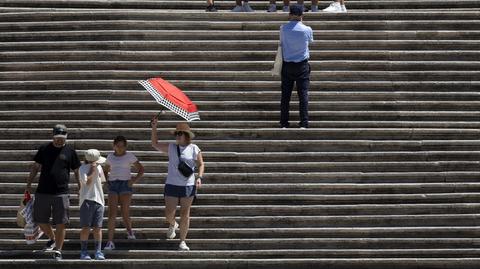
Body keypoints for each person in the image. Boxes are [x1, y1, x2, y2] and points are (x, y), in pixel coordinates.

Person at [26, 124, 81, 261]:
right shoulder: (44, 149)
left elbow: (76, 171)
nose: (59, 140)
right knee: (39, 220)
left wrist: (81, 186)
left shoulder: (70, 151)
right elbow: (35, 167)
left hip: (61, 192)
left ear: (66, 137)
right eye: (57, 138)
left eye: (62, 138)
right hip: (42, 191)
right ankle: (53, 238)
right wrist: (28, 184)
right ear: (53, 136)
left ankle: (58, 250)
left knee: (61, 222)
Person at [151, 117, 205, 251]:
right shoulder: (171, 147)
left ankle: (182, 241)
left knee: (185, 213)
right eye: (176, 133)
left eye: (180, 133)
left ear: (186, 135)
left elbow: (201, 164)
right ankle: (173, 224)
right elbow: (154, 144)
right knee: (169, 214)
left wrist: (200, 177)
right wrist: (154, 127)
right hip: (172, 184)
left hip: (188, 184)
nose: (177, 136)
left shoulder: (194, 148)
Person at [103, 136, 144, 251]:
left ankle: (130, 231)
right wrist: (106, 181)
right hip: (113, 185)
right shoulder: (110, 156)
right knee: (112, 214)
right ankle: (110, 242)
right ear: (114, 146)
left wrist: (133, 181)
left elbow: (141, 169)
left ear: (125, 146)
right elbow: (105, 170)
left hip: (126, 184)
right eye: (118, 146)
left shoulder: (129, 156)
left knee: (125, 212)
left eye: (122, 146)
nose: (120, 148)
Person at [279, 5, 313, 129]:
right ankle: (304, 122)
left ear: (290, 14)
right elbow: (310, 41)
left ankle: (284, 123)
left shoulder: (283, 28)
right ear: (301, 15)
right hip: (302, 65)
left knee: (285, 96)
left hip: (287, 65)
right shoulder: (307, 29)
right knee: (303, 95)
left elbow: (281, 42)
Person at [78, 149, 107, 260]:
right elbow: (88, 182)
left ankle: (98, 251)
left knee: (98, 228)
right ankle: (84, 252)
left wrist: (99, 192)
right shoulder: (82, 169)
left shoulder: (99, 167)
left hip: (99, 200)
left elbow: (102, 181)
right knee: (86, 228)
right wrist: (92, 170)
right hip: (86, 200)